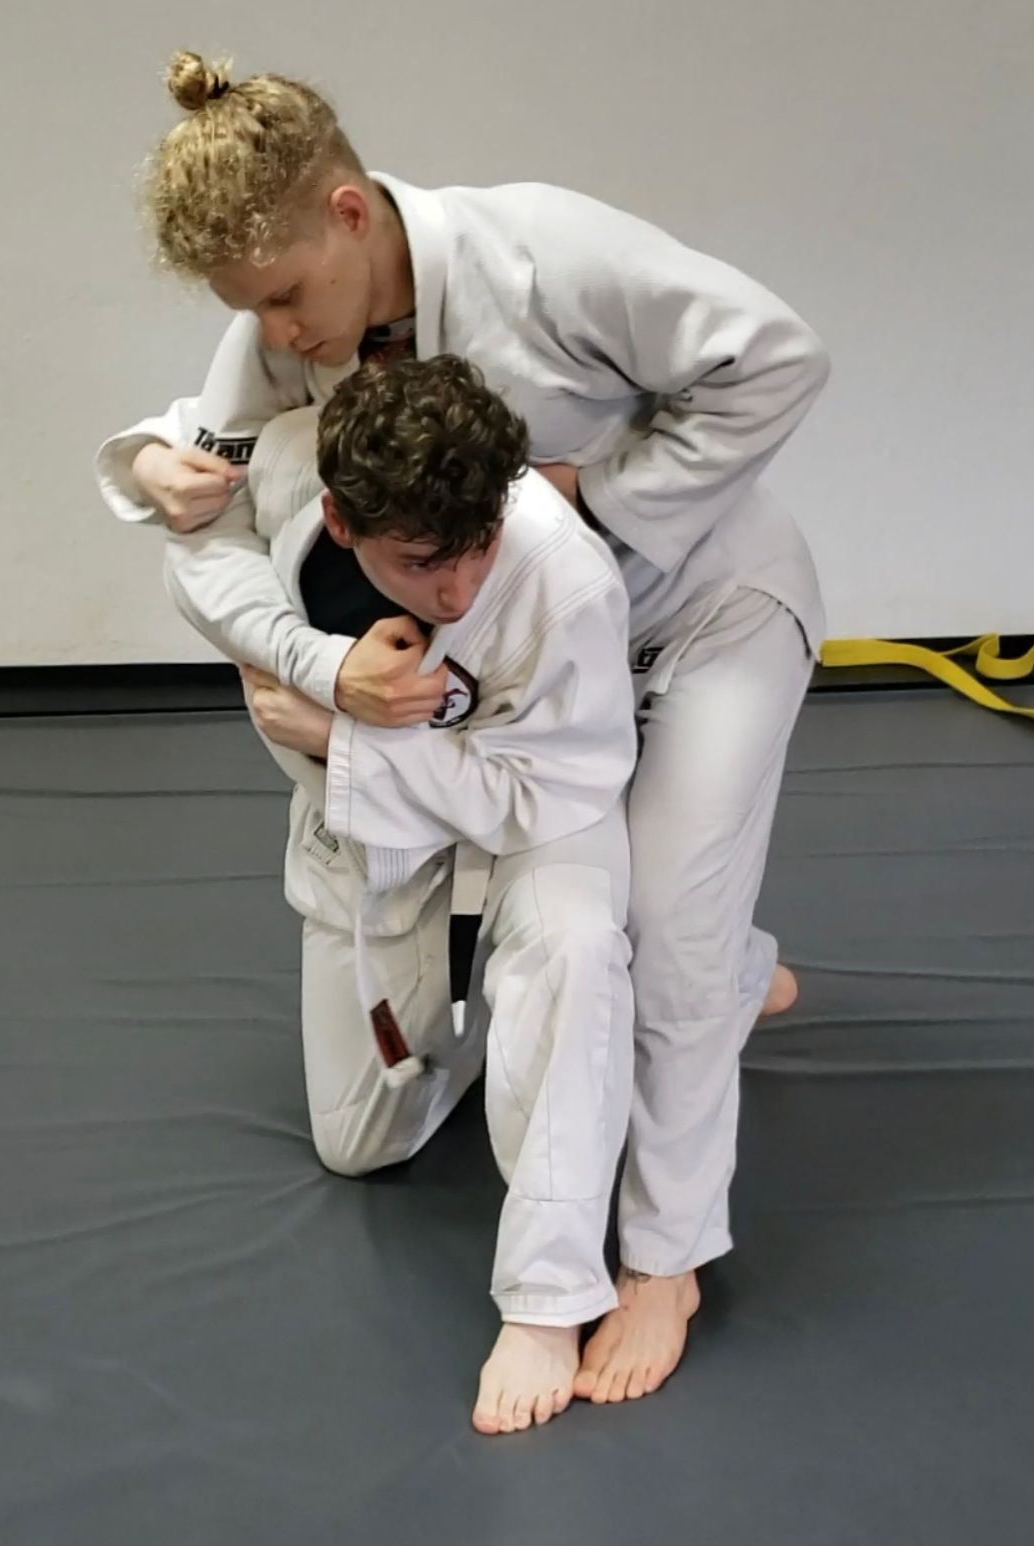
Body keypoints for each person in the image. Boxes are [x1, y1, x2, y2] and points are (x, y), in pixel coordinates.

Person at [96, 50, 827, 1408]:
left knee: (657, 924)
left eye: (285, 300)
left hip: (700, 605)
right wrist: (149, 460)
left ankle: (666, 1256)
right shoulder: (283, 318)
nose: (277, 338)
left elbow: (776, 354)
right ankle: (734, 963)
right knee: (614, 933)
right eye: (246, 313)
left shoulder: (546, 253)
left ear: (350, 212)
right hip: (533, 659)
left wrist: (601, 496)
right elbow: (221, 471)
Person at [172, 351, 641, 1434]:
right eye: (425, 561)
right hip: (374, 834)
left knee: (570, 943)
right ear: (342, 521)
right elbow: (186, 547)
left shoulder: (561, 578)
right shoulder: (293, 472)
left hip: (539, 818)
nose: (460, 587)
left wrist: (347, 736)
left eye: (478, 545)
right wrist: (316, 665)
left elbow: (549, 788)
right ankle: (485, 1032)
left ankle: (548, 1298)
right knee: (360, 1142)